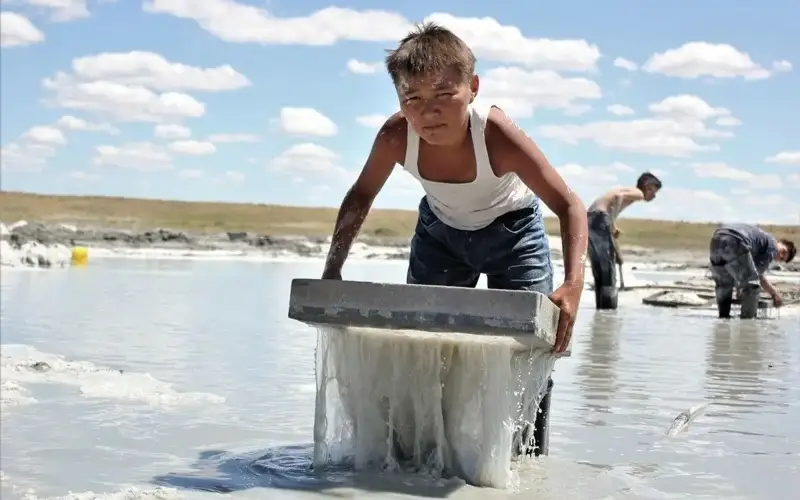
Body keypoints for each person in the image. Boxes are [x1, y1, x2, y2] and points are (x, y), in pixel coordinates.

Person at [319, 22, 588, 456]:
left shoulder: (496, 135)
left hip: (513, 232)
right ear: (399, 100)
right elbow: (361, 194)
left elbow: (570, 204)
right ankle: (424, 454)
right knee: (424, 346)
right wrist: (333, 268)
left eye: (444, 95)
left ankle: (525, 459)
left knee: (534, 352)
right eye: (413, 99)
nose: (428, 113)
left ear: (473, 87)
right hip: (440, 234)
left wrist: (574, 285)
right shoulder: (395, 136)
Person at [586, 173, 662, 309]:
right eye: (654, 193)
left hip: (590, 218)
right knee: (608, 272)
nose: (653, 197)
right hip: (599, 216)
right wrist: (612, 222)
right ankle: (608, 312)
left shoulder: (626, 190)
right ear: (648, 186)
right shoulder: (638, 193)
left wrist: (617, 251)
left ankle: (602, 312)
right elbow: (618, 197)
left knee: (600, 268)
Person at [709, 223, 795, 319]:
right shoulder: (772, 246)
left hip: (716, 240)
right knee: (753, 286)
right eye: (783, 251)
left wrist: (740, 287)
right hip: (736, 240)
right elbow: (757, 277)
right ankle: (747, 323)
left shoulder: (760, 239)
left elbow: (748, 271)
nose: (781, 256)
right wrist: (774, 294)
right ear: (780, 242)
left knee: (724, 286)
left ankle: (723, 320)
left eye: (782, 259)